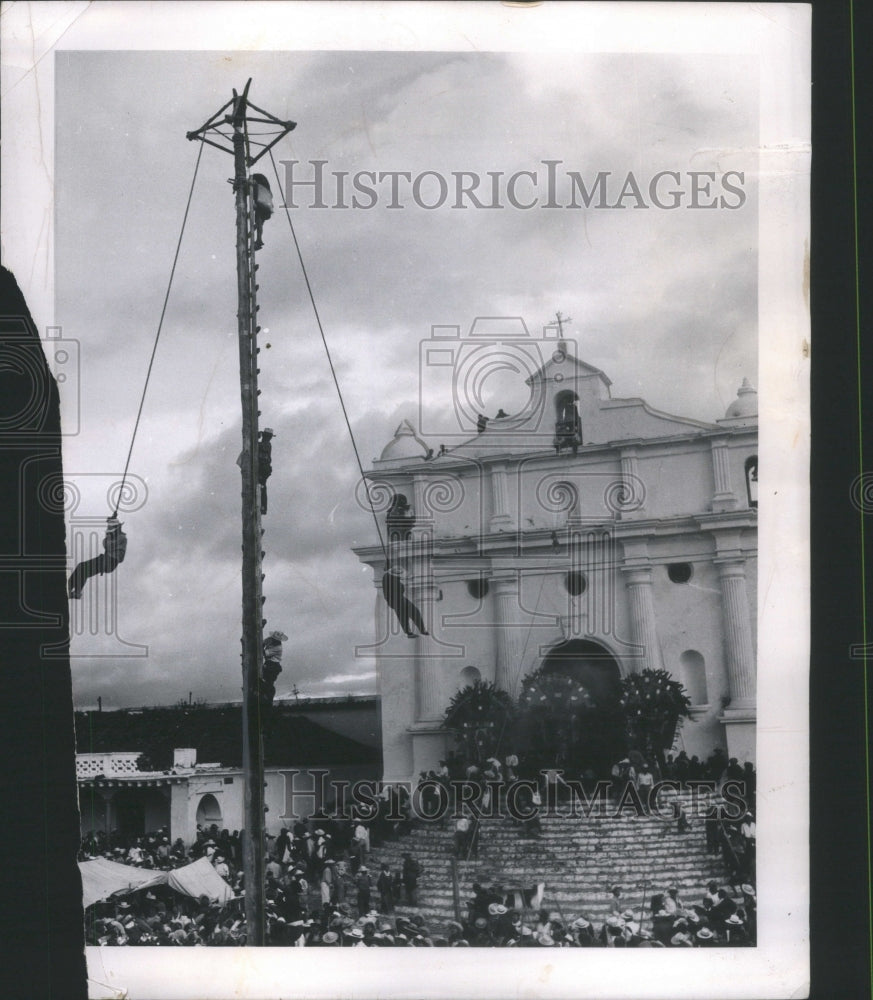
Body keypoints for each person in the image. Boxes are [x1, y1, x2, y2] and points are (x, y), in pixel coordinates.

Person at [68, 516, 128, 598]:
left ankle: (70, 588)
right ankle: (75, 591)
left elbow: (112, 550)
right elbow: (105, 543)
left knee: (82, 567)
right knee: (82, 568)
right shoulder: (113, 536)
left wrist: (110, 536)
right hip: (105, 560)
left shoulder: (122, 538)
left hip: (110, 562)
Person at [381, 564, 428, 637]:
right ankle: (414, 631)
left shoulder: (392, 577)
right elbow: (397, 589)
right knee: (406, 615)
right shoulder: (388, 577)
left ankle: (417, 630)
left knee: (410, 613)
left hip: (398, 598)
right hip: (396, 599)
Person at [252, 173, 274, 250]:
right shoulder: (267, 191)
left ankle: (259, 240)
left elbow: (254, 193)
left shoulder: (256, 185)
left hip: (260, 206)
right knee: (260, 223)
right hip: (267, 208)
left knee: (259, 221)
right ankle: (259, 240)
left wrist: (254, 202)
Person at [257, 428, 274, 515]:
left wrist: (256, 438)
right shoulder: (266, 444)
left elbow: (259, 446)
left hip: (264, 469)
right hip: (263, 469)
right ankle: (263, 507)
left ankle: (263, 507)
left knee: (262, 487)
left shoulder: (267, 445)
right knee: (262, 487)